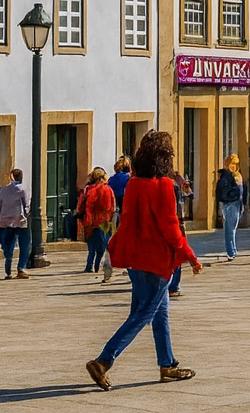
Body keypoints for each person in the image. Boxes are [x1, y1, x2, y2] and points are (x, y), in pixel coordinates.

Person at [86, 131, 202, 390]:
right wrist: (190, 256)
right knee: (144, 314)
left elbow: (126, 222)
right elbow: (171, 228)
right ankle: (103, 360)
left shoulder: (134, 184)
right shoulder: (163, 187)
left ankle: (168, 365)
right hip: (157, 260)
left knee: (160, 313)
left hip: (136, 260)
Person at [0, 168, 32, 279]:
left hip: (5, 222)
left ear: (11, 177)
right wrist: (28, 215)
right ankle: (21, 268)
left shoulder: (4, 190)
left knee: (8, 246)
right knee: (25, 245)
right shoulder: (23, 190)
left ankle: (8, 269)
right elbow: (26, 205)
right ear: (21, 177)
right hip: (20, 222)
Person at [79, 168, 117, 274]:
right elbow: (113, 207)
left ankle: (89, 266)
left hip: (91, 222)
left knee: (91, 247)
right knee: (104, 247)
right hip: (106, 222)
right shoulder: (108, 189)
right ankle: (98, 266)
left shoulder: (89, 189)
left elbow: (86, 206)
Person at [215, 154, 246, 261]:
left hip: (236, 203)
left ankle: (232, 250)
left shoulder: (236, 175)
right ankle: (231, 251)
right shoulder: (229, 176)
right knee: (230, 229)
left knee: (231, 228)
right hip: (231, 203)